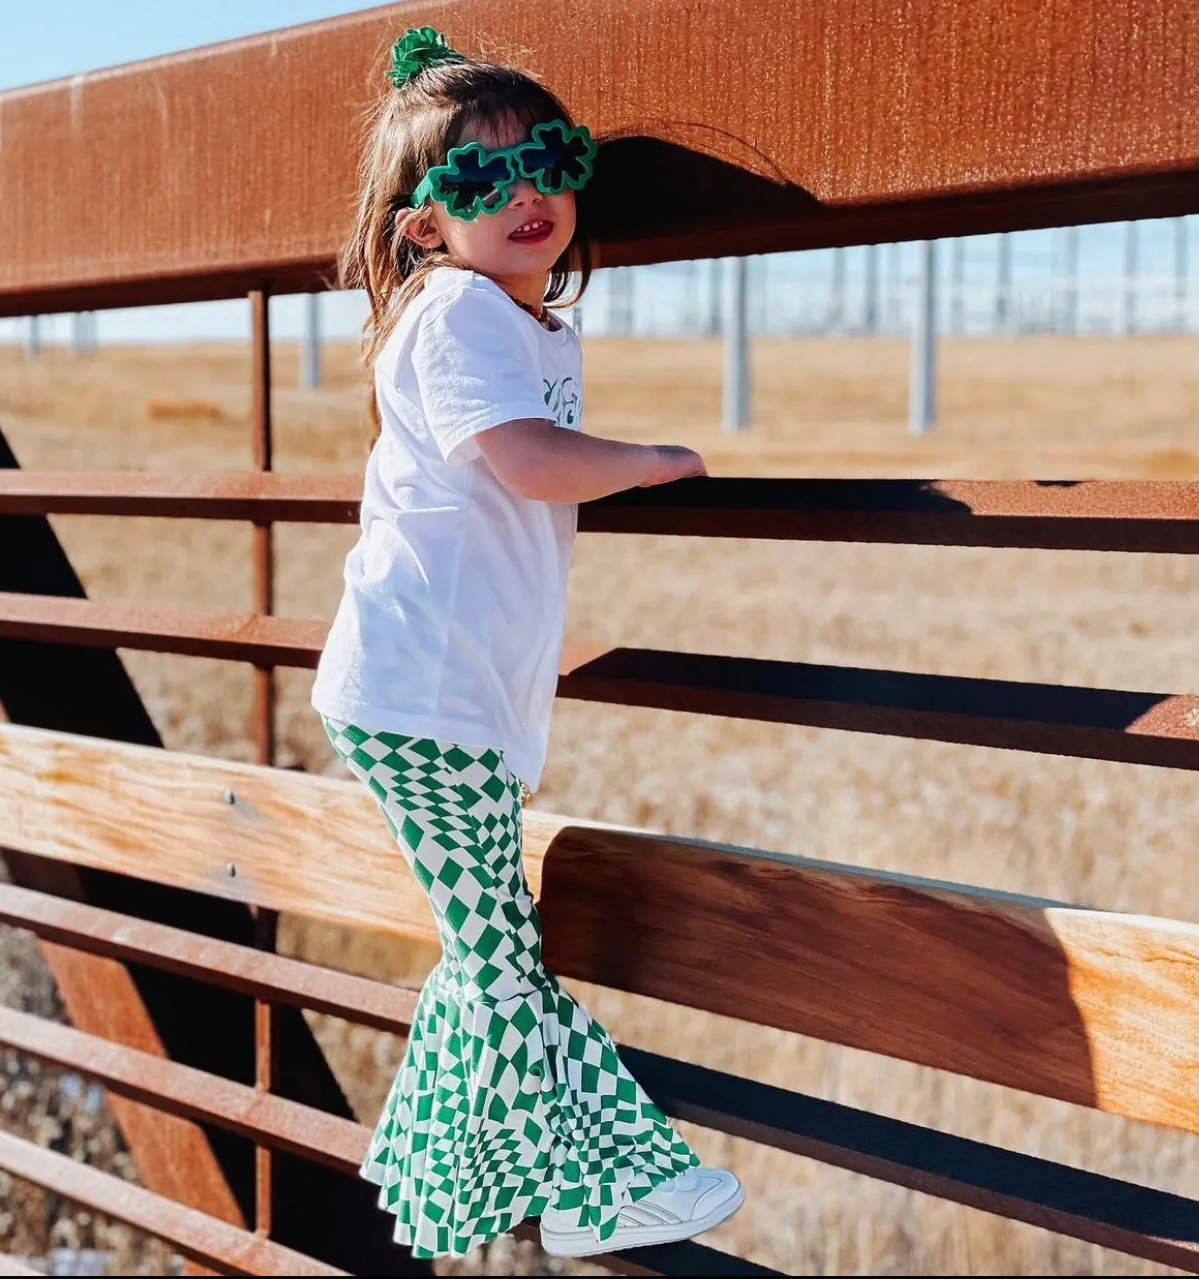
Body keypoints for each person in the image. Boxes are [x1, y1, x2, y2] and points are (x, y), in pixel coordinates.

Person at [311, 26, 743, 1262]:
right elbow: (524, 458)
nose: (524, 194)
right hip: (420, 692)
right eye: (475, 181)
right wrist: (654, 462)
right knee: (501, 954)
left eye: (547, 160)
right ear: (421, 226)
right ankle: (612, 1182)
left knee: (481, 948)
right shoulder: (452, 313)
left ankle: (435, 1172)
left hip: (457, 694)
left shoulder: (529, 324)